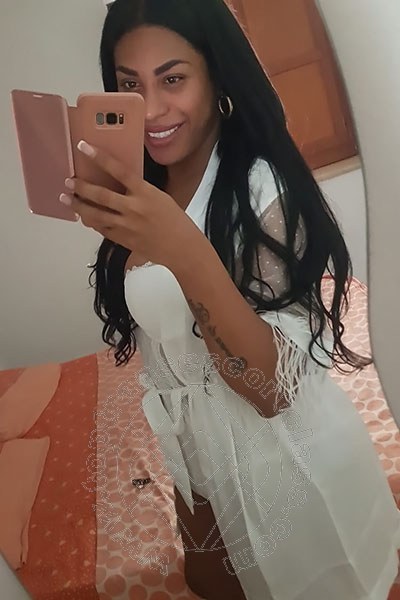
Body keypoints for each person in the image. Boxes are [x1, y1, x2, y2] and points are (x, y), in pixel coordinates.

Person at [60, 0, 400, 598]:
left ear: (216, 75)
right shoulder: (143, 188)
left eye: (173, 79)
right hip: (206, 477)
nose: (152, 110)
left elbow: (272, 390)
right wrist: (194, 513)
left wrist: (182, 248)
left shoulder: (261, 187)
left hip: (295, 475)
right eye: (130, 86)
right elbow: (169, 367)